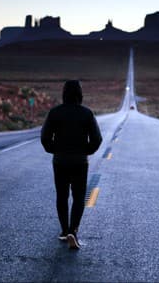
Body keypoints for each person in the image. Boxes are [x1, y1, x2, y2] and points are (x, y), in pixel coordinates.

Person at [41, 80, 102, 249]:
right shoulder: (87, 114)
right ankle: (73, 231)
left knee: (62, 196)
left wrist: (55, 150)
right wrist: (86, 151)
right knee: (78, 197)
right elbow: (97, 139)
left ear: (64, 93)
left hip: (60, 161)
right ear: (80, 94)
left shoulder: (54, 113)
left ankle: (63, 230)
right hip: (80, 162)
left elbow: (45, 138)